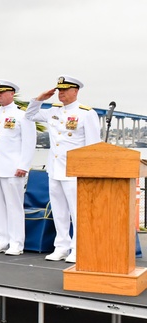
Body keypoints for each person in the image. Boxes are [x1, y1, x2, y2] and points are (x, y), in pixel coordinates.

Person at [25, 76, 100, 262]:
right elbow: (29, 115)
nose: (61, 93)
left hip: (75, 170)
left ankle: (78, 247)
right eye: (59, 90)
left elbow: (93, 146)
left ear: (76, 91)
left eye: (65, 90)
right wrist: (40, 98)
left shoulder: (86, 113)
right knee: (59, 211)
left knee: (77, 212)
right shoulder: (53, 111)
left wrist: (88, 172)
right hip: (55, 168)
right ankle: (61, 246)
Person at [0, 80, 36, 256]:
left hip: (13, 169)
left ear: (12, 94)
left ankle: (16, 243)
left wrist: (23, 166)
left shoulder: (23, 115)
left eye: (2, 93)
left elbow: (29, 142)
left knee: (14, 206)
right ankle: (1, 240)